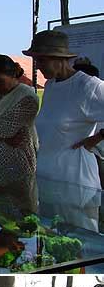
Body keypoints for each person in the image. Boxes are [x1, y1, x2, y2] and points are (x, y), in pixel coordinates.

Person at [23, 30, 104, 189]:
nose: (37, 65)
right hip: (47, 180)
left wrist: (96, 138)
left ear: (59, 59)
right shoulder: (50, 85)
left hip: (76, 183)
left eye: (41, 60)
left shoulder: (88, 86)